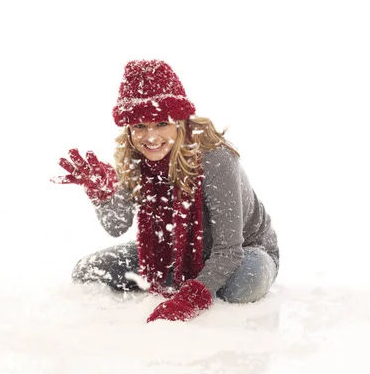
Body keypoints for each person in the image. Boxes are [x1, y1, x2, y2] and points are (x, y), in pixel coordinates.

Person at [51, 59, 279, 323]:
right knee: (88, 271)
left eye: (161, 123)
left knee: (242, 285)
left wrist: (189, 300)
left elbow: (229, 250)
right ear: (129, 129)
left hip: (243, 251)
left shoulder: (216, 159)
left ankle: (197, 282)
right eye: (140, 126)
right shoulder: (135, 158)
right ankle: (188, 276)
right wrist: (102, 195)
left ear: (180, 122)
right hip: (173, 249)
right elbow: (117, 225)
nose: (151, 137)